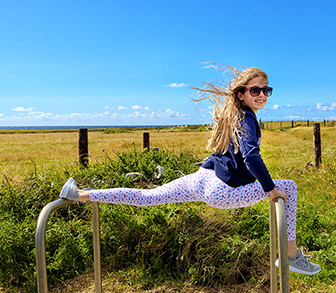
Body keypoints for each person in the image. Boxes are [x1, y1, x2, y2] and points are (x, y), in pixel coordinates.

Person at [59, 65, 321, 275]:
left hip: (203, 179)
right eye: (255, 90)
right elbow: (251, 156)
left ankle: (80, 194)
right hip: (223, 191)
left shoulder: (233, 116)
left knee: (148, 197)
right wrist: (271, 189)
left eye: (266, 90)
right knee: (288, 187)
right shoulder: (248, 118)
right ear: (241, 94)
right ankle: (291, 256)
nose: (262, 95)